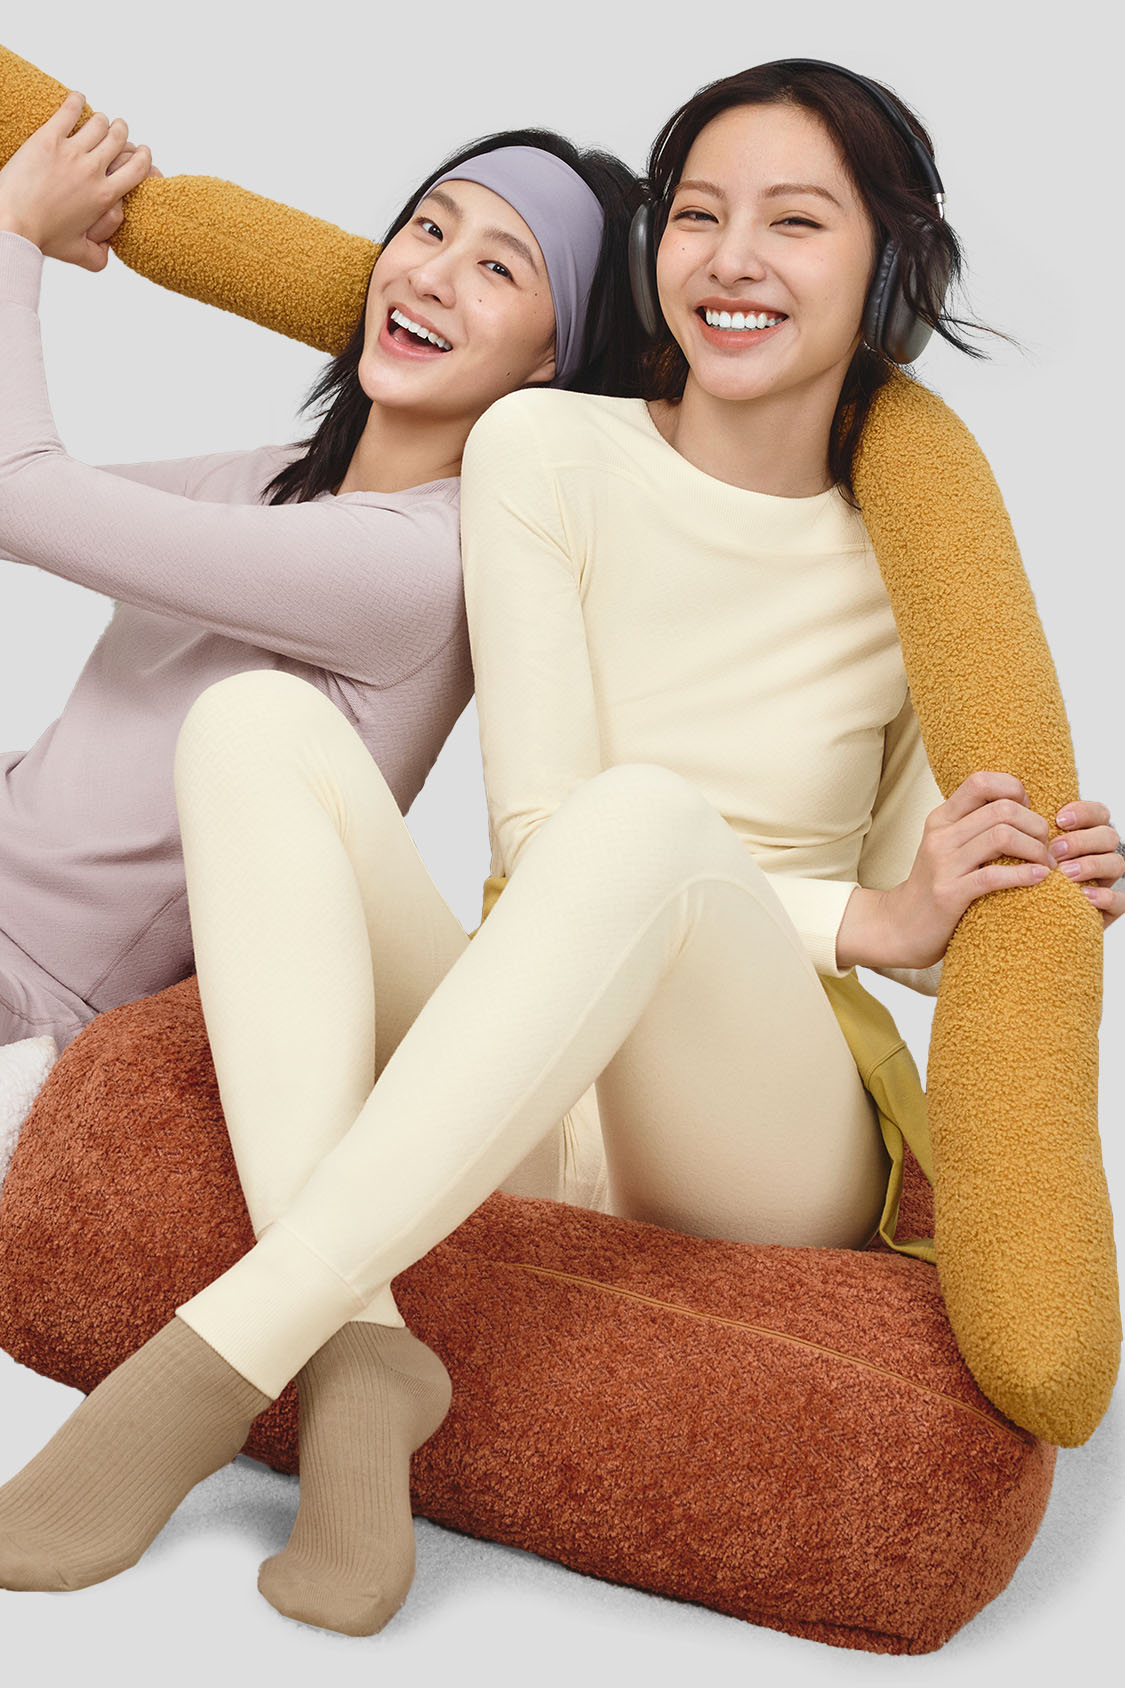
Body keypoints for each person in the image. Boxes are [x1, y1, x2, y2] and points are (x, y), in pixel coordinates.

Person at [0, 60, 1120, 1639]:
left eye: (796, 222)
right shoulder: (541, 449)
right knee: (252, 726)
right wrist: (871, 913)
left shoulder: (918, 550)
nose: (735, 258)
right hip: (534, 1052)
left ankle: (214, 1360)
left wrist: (982, 902)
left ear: (888, 260)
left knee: (643, 819)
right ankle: (362, 1354)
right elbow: (536, 839)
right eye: (701, 216)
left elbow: (913, 930)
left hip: (760, 1124)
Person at [0, 92, 642, 1121]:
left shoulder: (422, 564)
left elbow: (17, 493)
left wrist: (15, 233)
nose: (431, 273)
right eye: (429, 227)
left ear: (551, 359)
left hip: (34, 987)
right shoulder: (285, 481)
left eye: (498, 268)